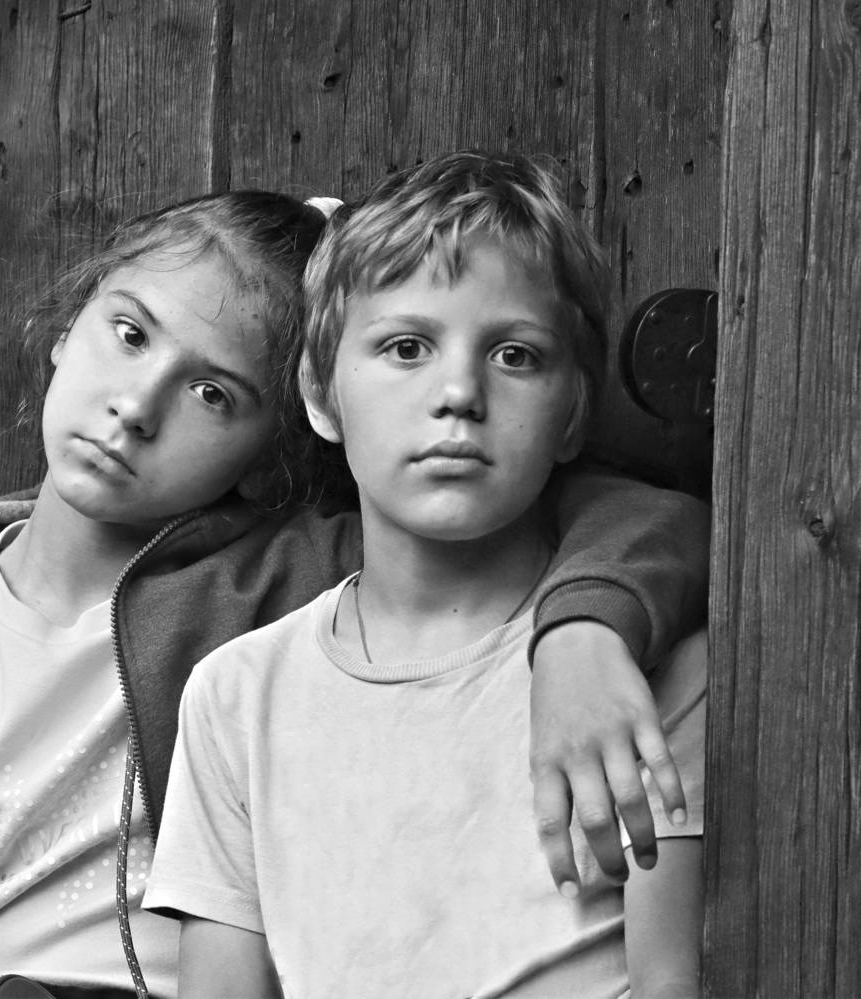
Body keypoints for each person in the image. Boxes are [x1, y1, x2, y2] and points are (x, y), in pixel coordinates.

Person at [0, 188, 708, 999]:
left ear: (279, 441)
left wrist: (585, 629)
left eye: (213, 395)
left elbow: (627, 513)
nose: (136, 406)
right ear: (66, 329)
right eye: (128, 333)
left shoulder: (290, 578)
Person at [144, 152, 707, 999]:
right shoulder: (235, 695)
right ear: (320, 393)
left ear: (573, 413)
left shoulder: (644, 670)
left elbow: (672, 982)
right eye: (406, 347)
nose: (459, 392)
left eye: (515, 354)